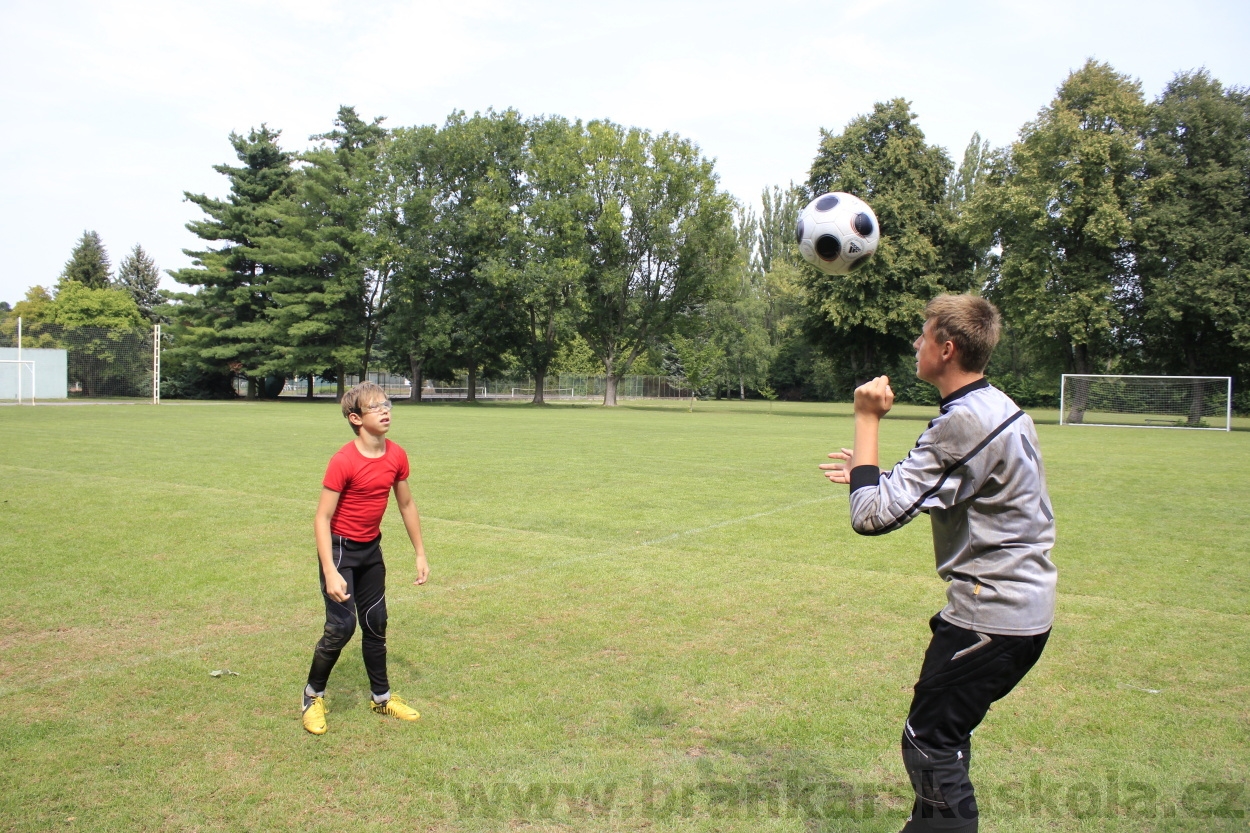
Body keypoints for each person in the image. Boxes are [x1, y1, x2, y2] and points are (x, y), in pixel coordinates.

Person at [821, 294, 1056, 832]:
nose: (915, 343)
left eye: (923, 335)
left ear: (946, 349)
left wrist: (865, 419)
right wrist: (870, 473)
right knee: (943, 738)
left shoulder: (964, 422)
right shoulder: (999, 406)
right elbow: (936, 487)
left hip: (991, 615)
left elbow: (871, 516)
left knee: (928, 744)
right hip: (1017, 609)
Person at [302, 381, 430, 735]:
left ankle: (382, 698)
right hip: (340, 550)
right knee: (342, 627)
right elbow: (321, 518)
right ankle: (312, 696)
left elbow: (406, 504)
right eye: (376, 407)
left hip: (371, 550)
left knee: (377, 623)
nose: (386, 410)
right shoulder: (343, 460)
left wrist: (420, 553)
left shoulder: (397, 455)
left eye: (387, 403)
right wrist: (329, 570)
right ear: (356, 418)